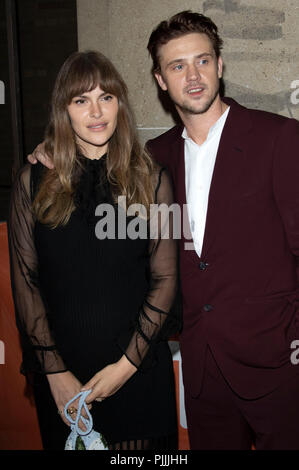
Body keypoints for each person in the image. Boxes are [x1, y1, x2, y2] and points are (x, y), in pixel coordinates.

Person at [27, 11, 299, 450]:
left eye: (203, 61)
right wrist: (50, 150)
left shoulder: (280, 138)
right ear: (160, 79)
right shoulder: (151, 160)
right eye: (177, 66)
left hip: (280, 366)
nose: (192, 76)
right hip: (202, 369)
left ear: (220, 66)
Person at [9, 50, 179, 451]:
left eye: (106, 97)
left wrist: (125, 368)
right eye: (81, 100)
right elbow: (26, 282)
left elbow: (166, 279)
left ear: (120, 103)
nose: (96, 111)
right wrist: (54, 372)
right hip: (64, 378)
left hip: (138, 373)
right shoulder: (33, 182)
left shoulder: (154, 180)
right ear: (63, 110)